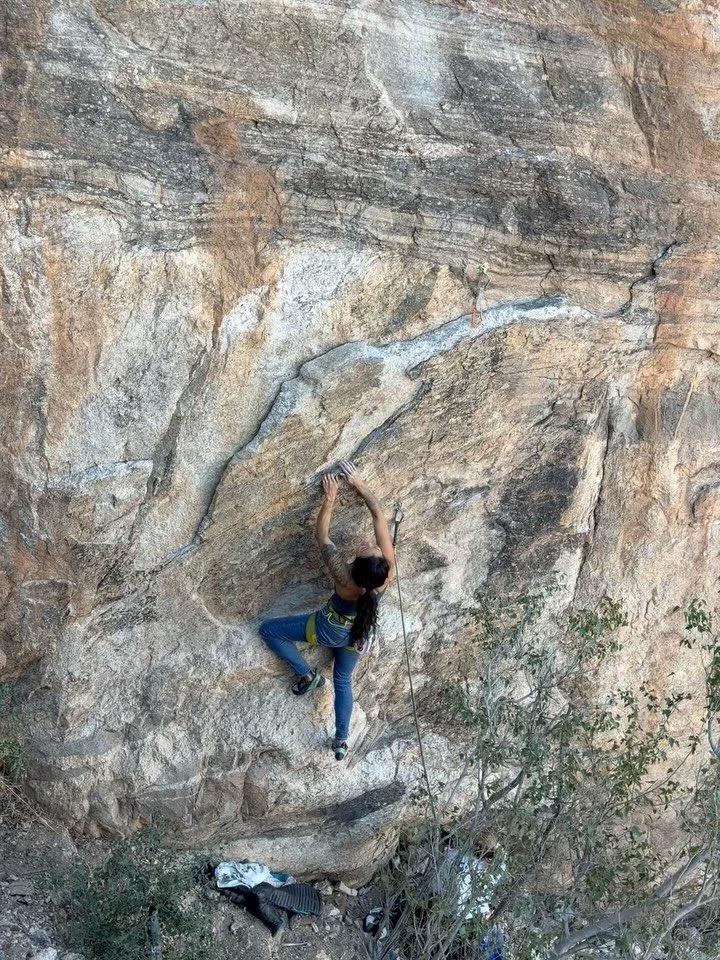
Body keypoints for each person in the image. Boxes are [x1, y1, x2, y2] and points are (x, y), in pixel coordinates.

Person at [259, 460, 395, 760]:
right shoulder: (386, 574)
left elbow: (322, 536)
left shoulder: (344, 578)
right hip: (359, 635)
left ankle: (308, 676)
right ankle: (342, 740)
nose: (368, 544)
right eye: (373, 547)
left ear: (356, 566)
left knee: (268, 630)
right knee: (343, 680)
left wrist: (330, 498)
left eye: (366, 549)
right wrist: (359, 483)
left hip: (328, 630)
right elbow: (378, 515)